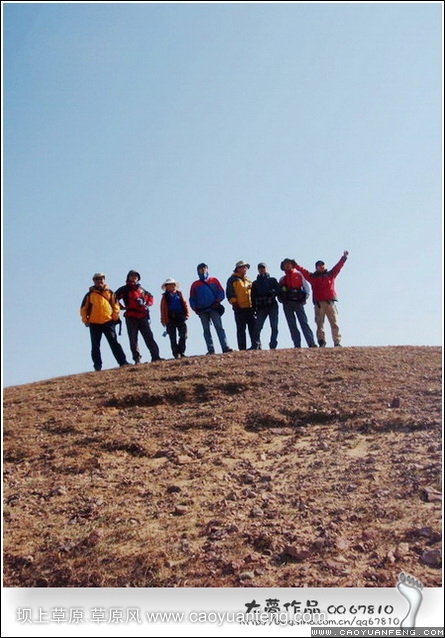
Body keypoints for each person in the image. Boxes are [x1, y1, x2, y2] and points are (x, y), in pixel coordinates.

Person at [293, 251, 349, 347]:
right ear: (316, 267)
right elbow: (303, 271)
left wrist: (344, 257)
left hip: (330, 302)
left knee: (334, 323)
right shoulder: (312, 277)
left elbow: (338, 267)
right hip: (319, 304)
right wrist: (296, 265)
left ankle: (337, 342)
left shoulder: (331, 274)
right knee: (320, 324)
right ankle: (321, 341)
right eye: (319, 265)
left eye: (322, 265)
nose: (321, 267)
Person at [80, 273, 130, 371]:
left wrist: (114, 317)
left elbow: (116, 305)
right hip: (94, 323)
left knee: (114, 343)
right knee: (95, 346)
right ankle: (97, 366)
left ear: (104, 280)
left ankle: (123, 362)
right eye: (97, 279)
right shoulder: (89, 295)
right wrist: (85, 320)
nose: (99, 281)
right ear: (94, 281)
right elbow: (83, 309)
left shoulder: (110, 293)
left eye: (101, 279)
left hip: (108, 322)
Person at [115, 270, 163, 364]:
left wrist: (147, 304)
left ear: (138, 278)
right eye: (132, 276)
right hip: (131, 316)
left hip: (142, 315)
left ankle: (155, 356)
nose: (134, 277)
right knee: (133, 339)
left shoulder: (141, 289)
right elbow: (113, 298)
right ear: (128, 277)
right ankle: (137, 359)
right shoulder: (124, 289)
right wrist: (121, 307)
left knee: (149, 336)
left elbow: (150, 297)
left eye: (135, 276)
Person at [189, 263, 233, 355]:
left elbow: (221, 292)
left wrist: (217, 301)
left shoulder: (214, 280)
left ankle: (225, 347)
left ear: (207, 269)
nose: (203, 270)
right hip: (202, 311)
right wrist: (195, 309)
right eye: (201, 269)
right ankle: (211, 350)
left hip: (213, 308)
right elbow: (192, 298)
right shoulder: (195, 284)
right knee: (206, 330)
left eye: (204, 268)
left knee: (219, 328)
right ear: (198, 271)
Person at [278, 258, 317, 349]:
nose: (287, 265)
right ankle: (297, 344)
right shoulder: (282, 279)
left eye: (289, 263)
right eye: (285, 264)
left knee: (304, 322)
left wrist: (304, 298)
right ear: (283, 267)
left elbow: (306, 288)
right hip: (287, 304)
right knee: (292, 325)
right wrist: (282, 300)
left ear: (292, 265)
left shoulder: (299, 275)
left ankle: (311, 342)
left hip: (298, 303)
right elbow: (279, 292)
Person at [226, 260, 256, 350]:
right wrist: (235, 304)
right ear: (238, 268)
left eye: (246, 267)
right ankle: (242, 348)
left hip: (250, 307)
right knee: (241, 329)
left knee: (253, 328)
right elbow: (229, 293)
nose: (245, 269)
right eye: (243, 267)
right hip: (239, 308)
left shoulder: (248, 280)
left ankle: (255, 346)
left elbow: (253, 293)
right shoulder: (232, 280)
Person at [251, 262, 280, 350]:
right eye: (260, 268)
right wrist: (254, 308)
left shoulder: (272, 280)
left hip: (272, 306)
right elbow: (252, 296)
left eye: (263, 267)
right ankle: (256, 344)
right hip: (261, 308)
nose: (262, 269)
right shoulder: (255, 283)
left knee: (274, 326)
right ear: (258, 270)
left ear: (266, 268)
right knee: (258, 327)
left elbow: (278, 290)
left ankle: (273, 344)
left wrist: (272, 292)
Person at [160, 278, 190, 359]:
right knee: (172, 337)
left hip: (180, 316)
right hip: (170, 318)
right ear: (166, 286)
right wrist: (163, 320)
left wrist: (187, 314)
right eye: (169, 285)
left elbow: (184, 303)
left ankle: (181, 351)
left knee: (183, 335)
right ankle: (176, 353)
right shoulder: (165, 297)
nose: (172, 286)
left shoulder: (179, 294)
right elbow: (162, 308)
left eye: (173, 284)